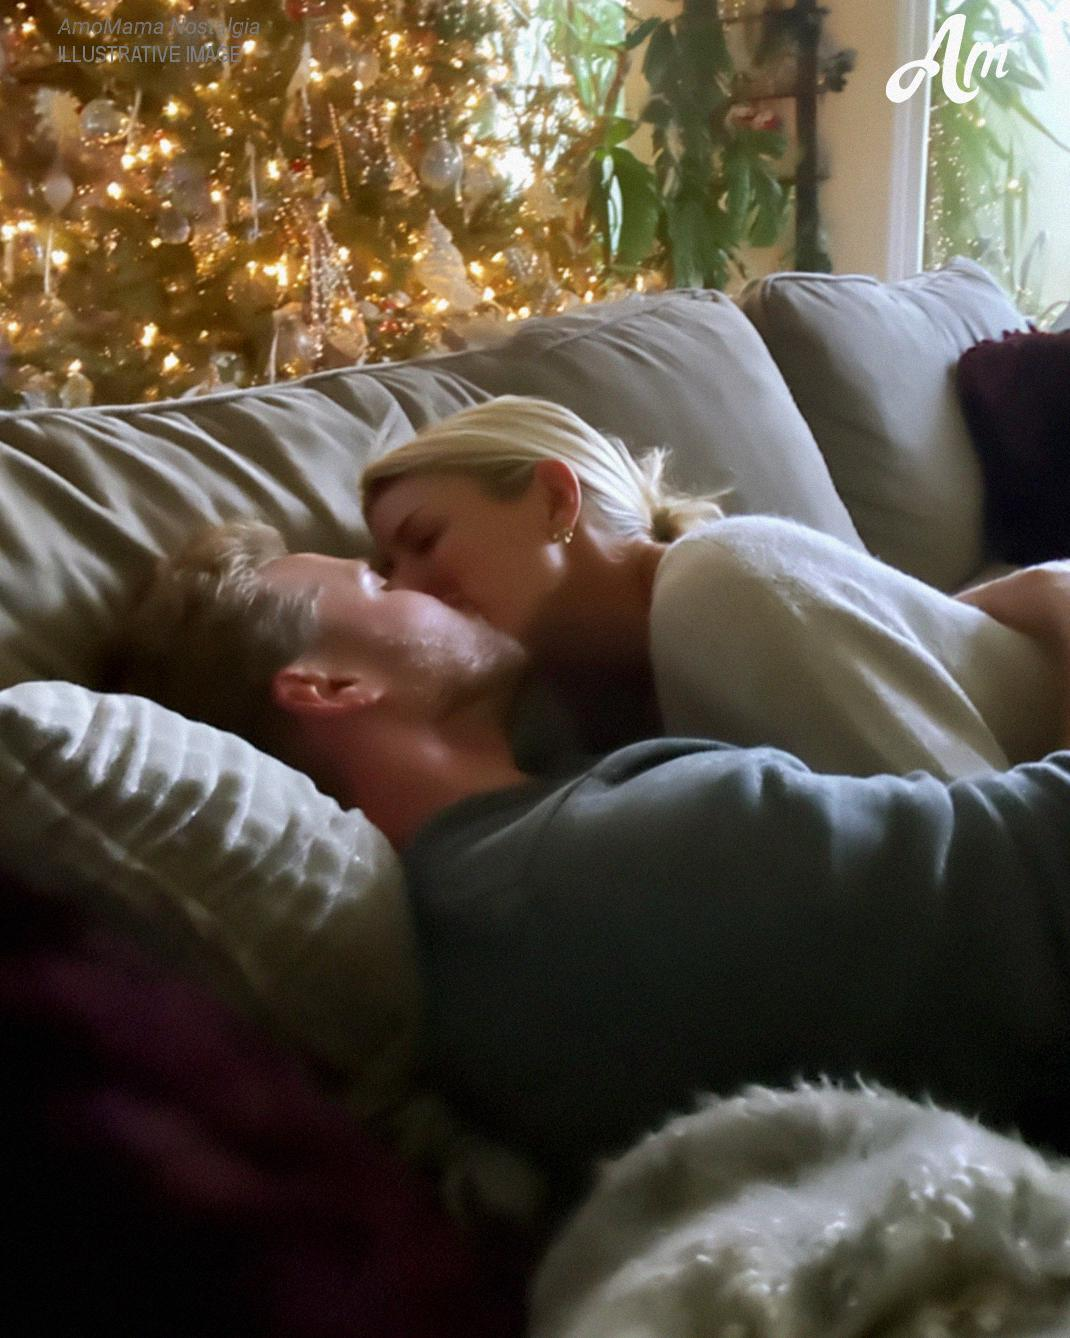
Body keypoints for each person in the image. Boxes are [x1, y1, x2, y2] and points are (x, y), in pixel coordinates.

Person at [118, 519, 1070, 1200]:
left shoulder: (513, 875)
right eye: (377, 581)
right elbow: (1040, 860)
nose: (422, 585)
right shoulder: (603, 866)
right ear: (330, 685)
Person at [362, 395, 1062, 780]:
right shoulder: (575, 722)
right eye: (386, 573)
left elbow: (1000, 868)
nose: (408, 593)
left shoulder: (715, 584)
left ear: (554, 498)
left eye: (424, 540)